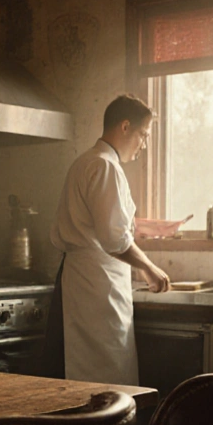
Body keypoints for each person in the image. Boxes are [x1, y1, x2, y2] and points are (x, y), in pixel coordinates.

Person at [47, 94, 170, 385]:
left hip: (88, 278)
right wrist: (150, 269)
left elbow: (103, 222)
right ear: (125, 126)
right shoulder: (105, 167)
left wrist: (140, 227)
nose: (144, 144)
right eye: (143, 134)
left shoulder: (88, 161)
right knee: (104, 378)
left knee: (95, 375)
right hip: (96, 284)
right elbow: (114, 239)